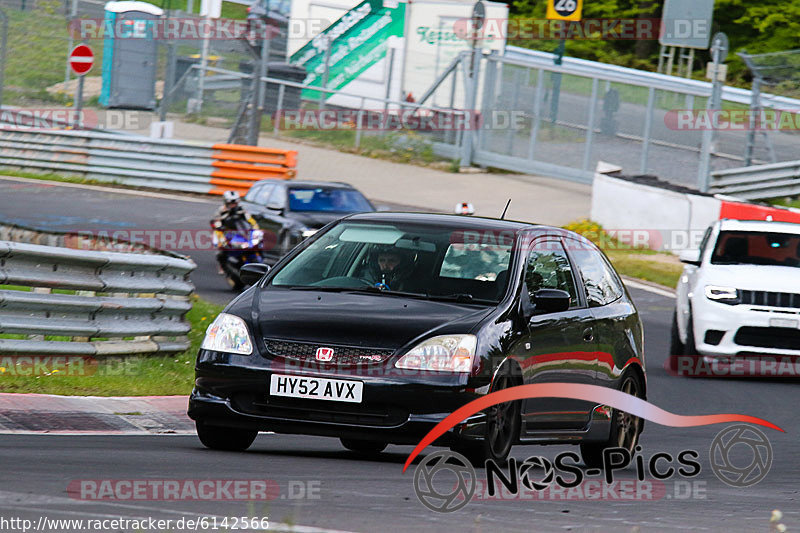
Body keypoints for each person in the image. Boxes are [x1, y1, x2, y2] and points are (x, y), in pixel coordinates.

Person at [211, 191, 260, 274]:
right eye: (231, 203)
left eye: (235, 203)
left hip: (240, 231)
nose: (233, 205)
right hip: (226, 232)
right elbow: (215, 222)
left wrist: (255, 228)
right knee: (221, 246)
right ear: (226, 202)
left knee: (257, 241)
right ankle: (222, 265)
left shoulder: (242, 209)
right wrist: (219, 224)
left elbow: (250, 220)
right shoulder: (221, 210)